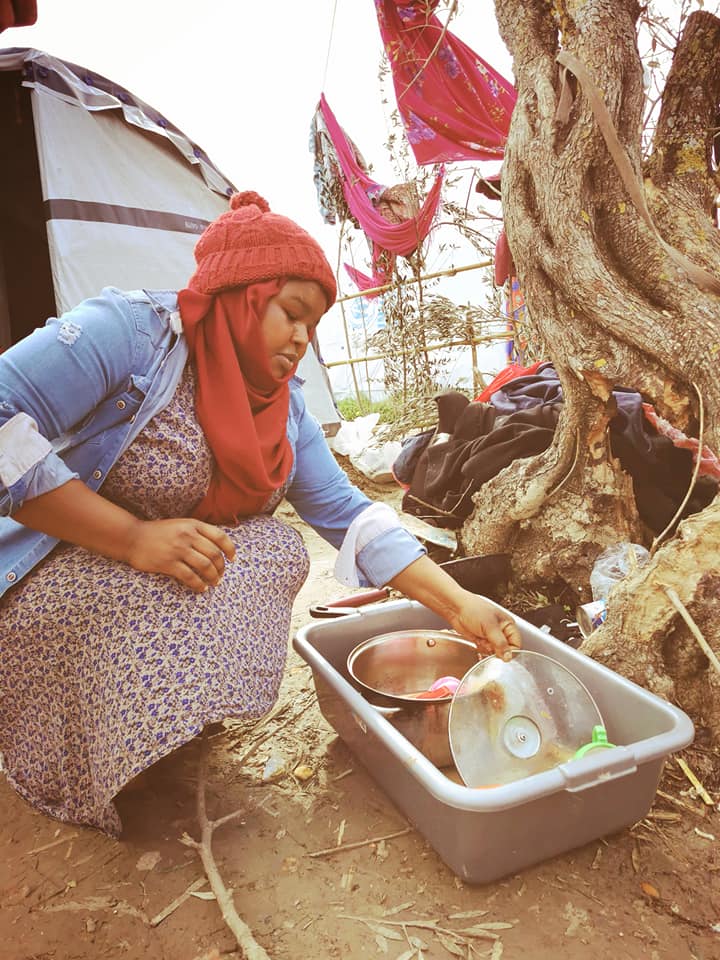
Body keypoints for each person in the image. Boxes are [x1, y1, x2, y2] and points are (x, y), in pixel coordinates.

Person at [0, 190, 521, 836]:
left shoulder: (284, 405)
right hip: (60, 568)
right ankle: (72, 747)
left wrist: (458, 604)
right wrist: (133, 538)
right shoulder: (130, 335)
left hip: (155, 567)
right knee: (194, 566)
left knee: (273, 549)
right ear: (243, 298)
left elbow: (349, 513)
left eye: (314, 324)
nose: (303, 338)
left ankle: (163, 723)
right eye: (292, 314)